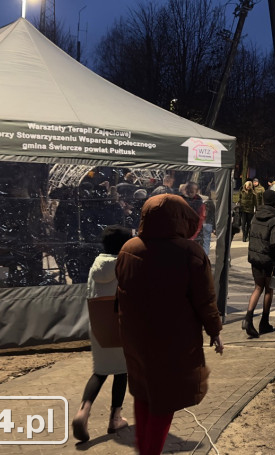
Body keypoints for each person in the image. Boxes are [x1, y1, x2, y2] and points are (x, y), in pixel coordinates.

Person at [115, 194, 223, 455]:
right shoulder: (190, 253)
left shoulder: (129, 248)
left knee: (143, 392)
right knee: (165, 400)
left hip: (136, 337)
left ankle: (145, 450)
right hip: (174, 341)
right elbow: (205, 299)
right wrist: (215, 331)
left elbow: (121, 291)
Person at [72, 225, 132, 443]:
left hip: (97, 325)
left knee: (100, 371)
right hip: (119, 323)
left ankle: (83, 410)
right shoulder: (124, 264)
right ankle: (115, 418)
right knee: (121, 371)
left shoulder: (95, 265)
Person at [244, 189, 275, 338]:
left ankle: (248, 318)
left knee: (257, 287)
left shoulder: (256, 216)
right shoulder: (274, 220)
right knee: (269, 290)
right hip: (268, 260)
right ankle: (264, 322)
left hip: (255, 258)